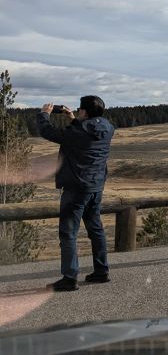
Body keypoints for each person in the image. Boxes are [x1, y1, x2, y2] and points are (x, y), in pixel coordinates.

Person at [37, 97, 115, 292]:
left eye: (80, 109)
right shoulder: (108, 127)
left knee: (68, 233)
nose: (78, 111)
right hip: (96, 187)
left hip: (76, 188)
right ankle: (101, 271)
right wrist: (73, 119)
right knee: (96, 229)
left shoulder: (77, 132)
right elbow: (86, 132)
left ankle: (70, 277)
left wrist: (44, 114)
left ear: (85, 112)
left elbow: (48, 132)